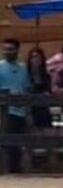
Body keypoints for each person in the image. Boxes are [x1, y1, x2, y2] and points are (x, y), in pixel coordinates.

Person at [0, 38, 30, 173]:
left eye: (10, 49)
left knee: (18, 143)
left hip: (21, 111)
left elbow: (27, 88)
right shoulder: (0, 67)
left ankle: (16, 169)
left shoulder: (23, 69)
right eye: (5, 49)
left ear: (17, 50)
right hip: (5, 111)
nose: (7, 52)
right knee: (7, 142)